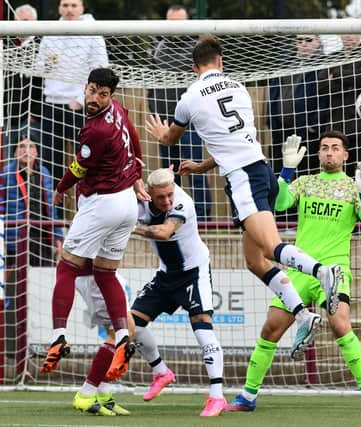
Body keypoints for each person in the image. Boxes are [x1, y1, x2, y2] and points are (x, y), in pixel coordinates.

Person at [146, 35, 341, 361]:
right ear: (221, 61)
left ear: (194, 68)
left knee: (270, 247)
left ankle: (322, 271)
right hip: (261, 170)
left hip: (243, 179)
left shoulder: (190, 97)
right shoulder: (239, 88)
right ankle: (303, 315)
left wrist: (160, 132)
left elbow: (170, 139)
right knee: (254, 261)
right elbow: (231, 143)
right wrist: (201, 166)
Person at [224, 130, 361, 415]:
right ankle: (248, 395)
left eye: (335, 148)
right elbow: (279, 204)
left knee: (339, 324)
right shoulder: (306, 182)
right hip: (300, 268)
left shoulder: (352, 186)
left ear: (345, 155)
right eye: (324, 148)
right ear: (318, 153)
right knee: (271, 328)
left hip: (335, 269)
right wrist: (286, 170)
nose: (329, 152)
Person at [40, 68, 146, 383]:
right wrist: (137, 172)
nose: (95, 99)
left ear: (109, 96)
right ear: (86, 88)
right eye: (92, 91)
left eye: (102, 94)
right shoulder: (118, 111)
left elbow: (78, 168)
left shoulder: (95, 131)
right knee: (105, 272)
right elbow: (134, 135)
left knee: (66, 267)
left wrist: (60, 187)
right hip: (127, 204)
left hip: (103, 203)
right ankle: (124, 337)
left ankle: (59, 336)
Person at [129, 168, 226, 417]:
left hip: (194, 272)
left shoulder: (183, 202)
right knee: (133, 324)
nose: (167, 201)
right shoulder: (140, 203)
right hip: (165, 275)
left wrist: (128, 226)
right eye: (161, 197)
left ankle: (217, 396)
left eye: (170, 194)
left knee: (203, 328)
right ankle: (161, 371)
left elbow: (164, 232)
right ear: (149, 193)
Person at [147, 5, 212, 221]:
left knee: (194, 170)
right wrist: (155, 110)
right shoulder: (156, 47)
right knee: (169, 173)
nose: (176, 27)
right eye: (172, 22)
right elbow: (150, 82)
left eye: (180, 22)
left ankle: (202, 218)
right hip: (165, 122)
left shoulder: (197, 50)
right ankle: (173, 214)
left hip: (190, 123)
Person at [37, 0, 108, 190]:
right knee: (51, 162)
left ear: (82, 8)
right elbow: (38, 68)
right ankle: (54, 214)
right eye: (65, 5)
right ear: (59, 7)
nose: (69, 9)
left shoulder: (93, 33)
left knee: (87, 159)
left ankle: (88, 203)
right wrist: (47, 64)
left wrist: (80, 99)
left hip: (80, 108)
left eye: (74, 5)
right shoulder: (50, 33)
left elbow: (101, 71)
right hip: (52, 104)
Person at [0, 135, 63, 266]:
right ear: (15, 152)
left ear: (36, 152)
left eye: (31, 146)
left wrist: (58, 238)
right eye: (21, 146)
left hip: (42, 241)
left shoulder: (45, 173)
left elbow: (51, 209)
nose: (26, 150)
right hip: (14, 243)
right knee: (14, 282)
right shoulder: (5, 174)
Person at [72, 260, 131, 417]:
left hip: (103, 273)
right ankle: (86, 393)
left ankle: (103, 394)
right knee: (123, 332)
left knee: (121, 332)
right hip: (96, 276)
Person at [268, 34, 329, 176]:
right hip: (281, 131)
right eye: (299, 40)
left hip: (305, 133)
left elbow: (325, 98)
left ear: (318, 42)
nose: (303, 44)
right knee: (279, 175)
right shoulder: (285, 64)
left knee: (303, 177)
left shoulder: (323, 65)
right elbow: (274, 94)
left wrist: (314, 124)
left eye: (308, 40)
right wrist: (271, 119)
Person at [327, 28, 361, 191]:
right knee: (340, 180)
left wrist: (337, 74)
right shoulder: (331, 58)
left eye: (352, 32)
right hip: (337, 130)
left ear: (360, 34)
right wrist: (354, 76)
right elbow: (322, 85)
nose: (348, 35)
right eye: (345, 32)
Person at [4, 4, 43, 155]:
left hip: (31, 119)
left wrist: (34, 113)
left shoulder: (41, 47)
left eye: (26, 20)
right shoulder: (7, 47)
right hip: (9, 118)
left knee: (32, 161)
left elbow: (43, 84)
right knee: (8, 162)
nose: (21, 25)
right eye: (18, 21)